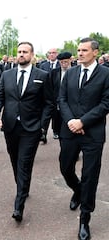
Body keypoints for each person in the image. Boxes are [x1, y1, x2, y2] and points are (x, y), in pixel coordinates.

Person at [0, 41, 53, 222]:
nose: (21, 54)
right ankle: (23, 186)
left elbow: (49, 103)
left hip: (31, 128)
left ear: (32, 55)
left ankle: (19, 205)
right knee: (15, 160)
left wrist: (42, 126)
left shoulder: (42, 75)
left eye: (25, 52)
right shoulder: (7, 75)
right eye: (19, 51)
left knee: (24, 163)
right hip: (10, 127)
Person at [58, 37, 109, 240]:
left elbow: (106, 103)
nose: (79, 53)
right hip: (69, 130)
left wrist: (83, 122)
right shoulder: (70, 73)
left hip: (93, 133)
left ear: (95, 52)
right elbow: (62, 99)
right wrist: (71, 120)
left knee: (90, 176)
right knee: (65, 168)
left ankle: (85, 219)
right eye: (78, 50)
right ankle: (77, 190)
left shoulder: (106, 74)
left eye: (84, 50)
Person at [48, 51, 73, 139]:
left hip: (72, 101)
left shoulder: (77, 71)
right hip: (57, 100)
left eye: (65, 62)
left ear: (71, 60)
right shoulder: (54, 72)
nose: (63, 64)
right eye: (61, 62)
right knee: (57, 117)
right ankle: (56, 131)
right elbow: (50, 86)